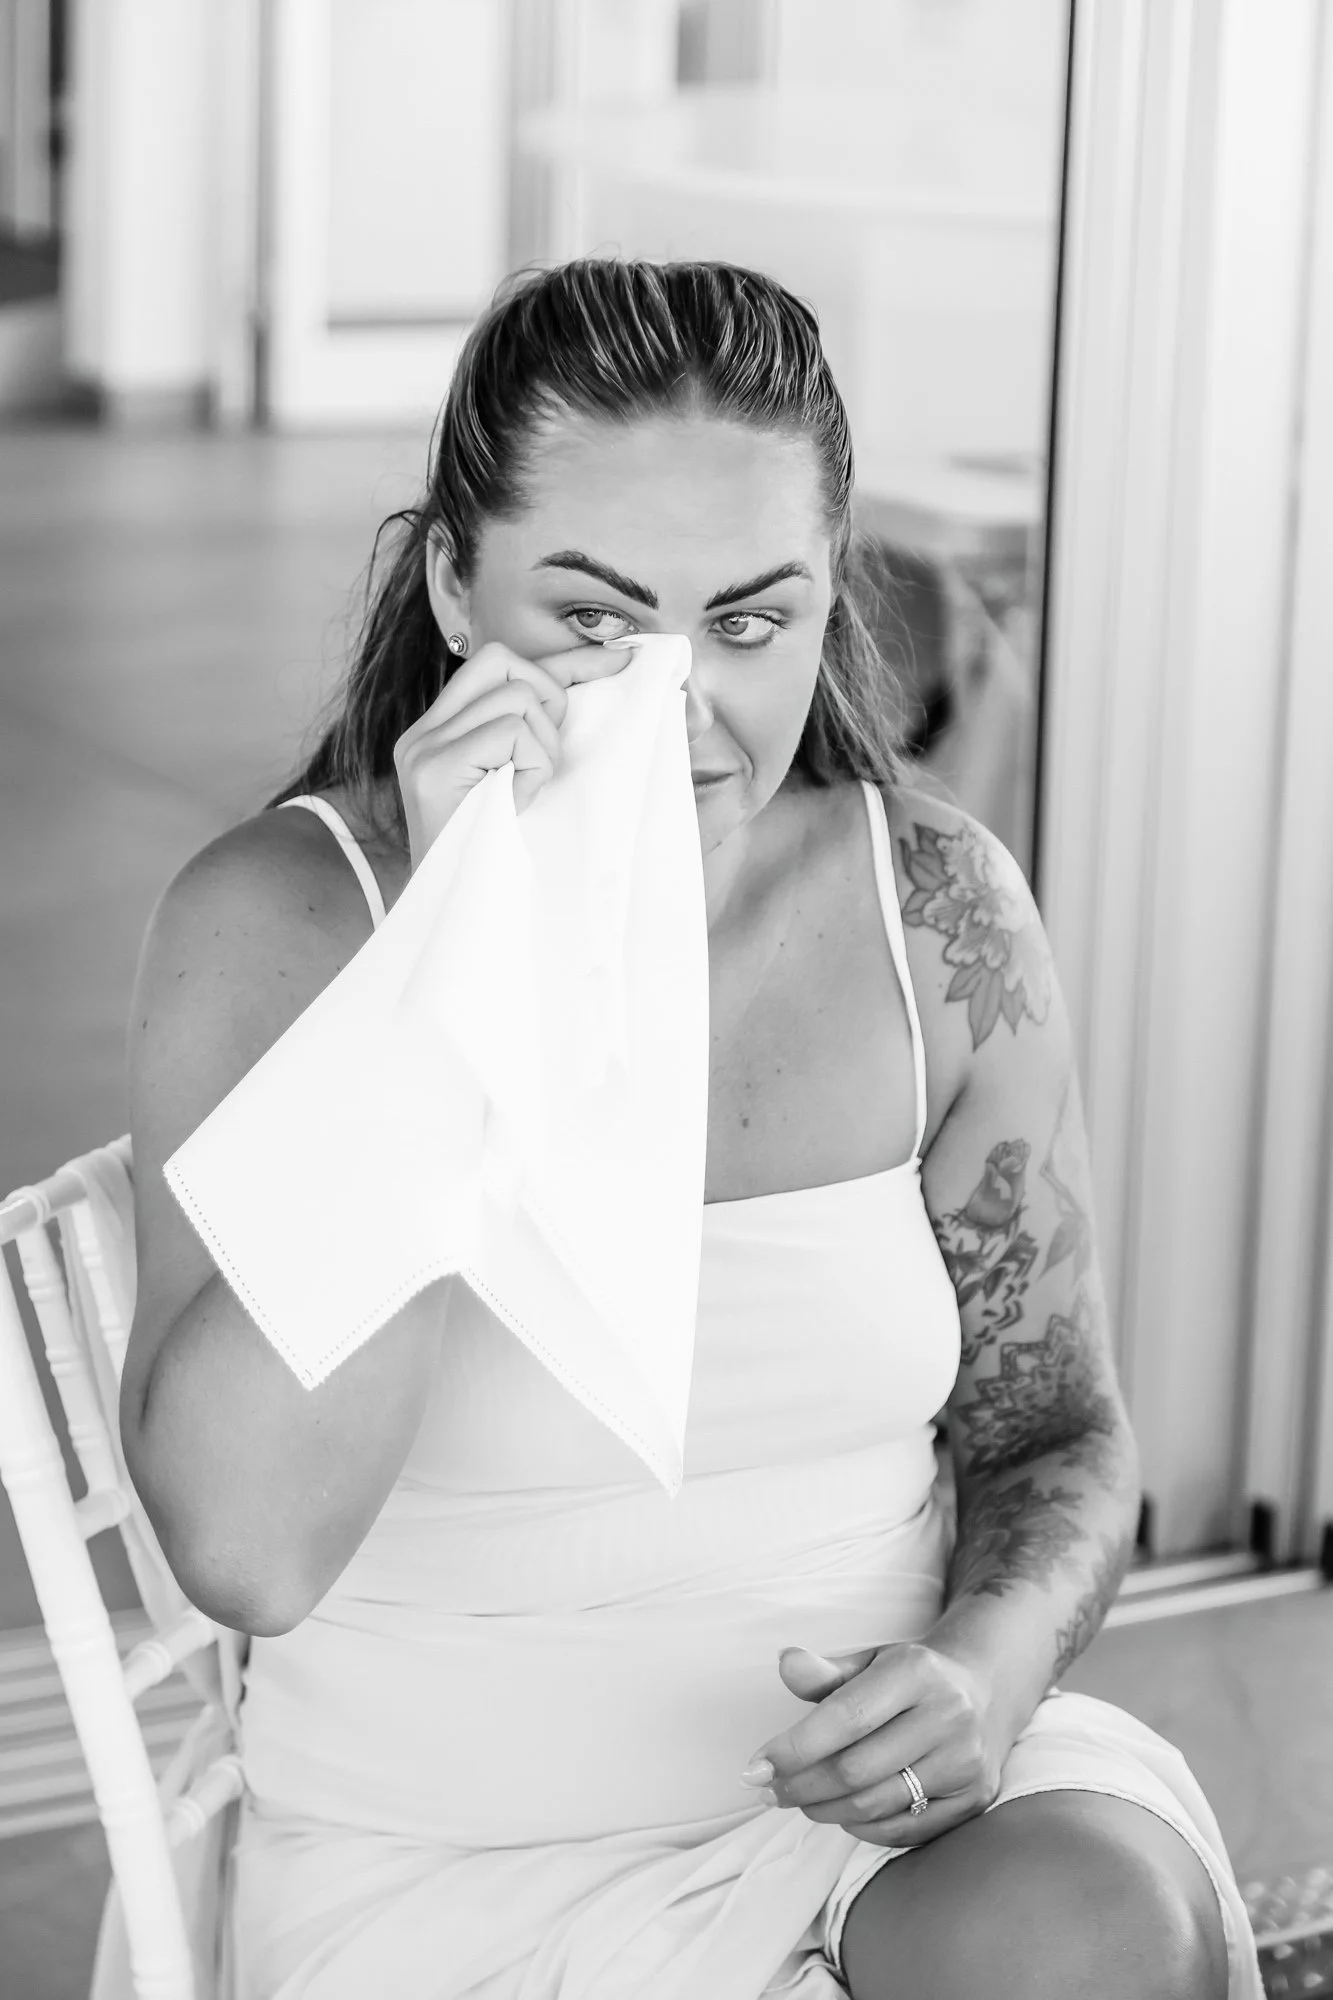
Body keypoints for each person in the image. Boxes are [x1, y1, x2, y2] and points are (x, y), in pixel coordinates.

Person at [120, 259, 1257, 1999]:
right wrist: (462, 965)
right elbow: (248, 1551)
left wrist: (985, 1673)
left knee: (1106, 1925)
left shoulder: (934, 909)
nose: (679, 711)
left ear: (825, 603)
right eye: (592, 620)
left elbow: (1060, 1437)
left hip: (870, 1839)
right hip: (440, 1870)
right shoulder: (278, 925)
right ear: (447, 582)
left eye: (746, 622)